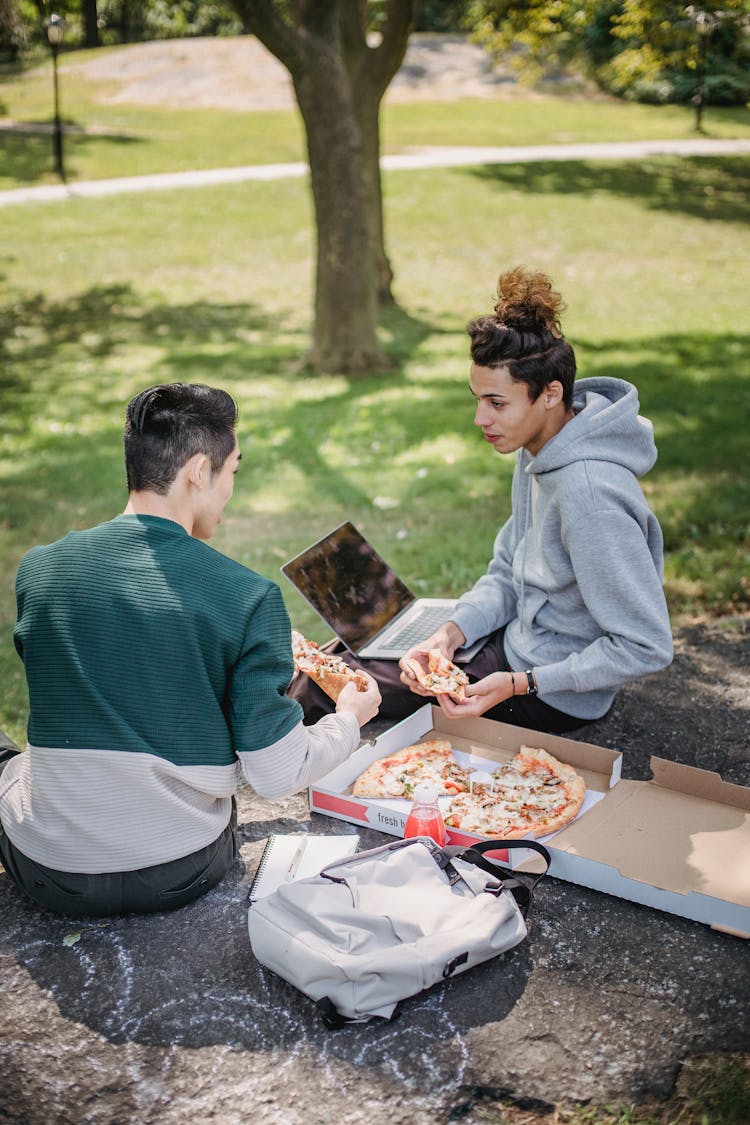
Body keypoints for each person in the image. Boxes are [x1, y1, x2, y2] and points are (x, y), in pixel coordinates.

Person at [0, 383, 380, 917]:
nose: (231, 492)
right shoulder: (247, 597)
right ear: (200, 472)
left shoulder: (40, 569)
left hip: (45, 869)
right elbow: (275, 775)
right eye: (234, 473)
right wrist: (348, 718)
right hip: (182, 867)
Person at [291, 266, 672, 734]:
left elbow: (646, 645)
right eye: (477, 399)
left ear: (551, 394)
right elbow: (509, 575)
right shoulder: (539, 450)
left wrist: (516, 684)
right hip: (516, 649)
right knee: (346, 653)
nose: (479, 419)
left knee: (327, 684)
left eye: (496, 403)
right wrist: (448, 634)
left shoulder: (590, 499)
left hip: (548, 695)